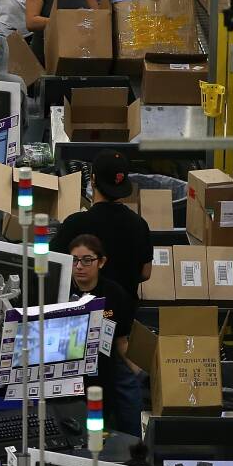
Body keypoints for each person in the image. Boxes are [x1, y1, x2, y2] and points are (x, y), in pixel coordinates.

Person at [50, 148, 153, 301]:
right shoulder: (140, 225)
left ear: (92, 179)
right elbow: (145, 273)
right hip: (123, 318)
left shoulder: (75, 224)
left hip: (82, 318)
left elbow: (51, 267)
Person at [67, 234, 142, 436]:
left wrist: (144, 374)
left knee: (99, 435)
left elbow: (121, 341)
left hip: (102, 376)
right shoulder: (60, 291)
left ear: (101, 262)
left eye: (87, 260)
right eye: (74, 260)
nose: (79, 266)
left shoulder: (115, 294)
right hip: (68, 378)